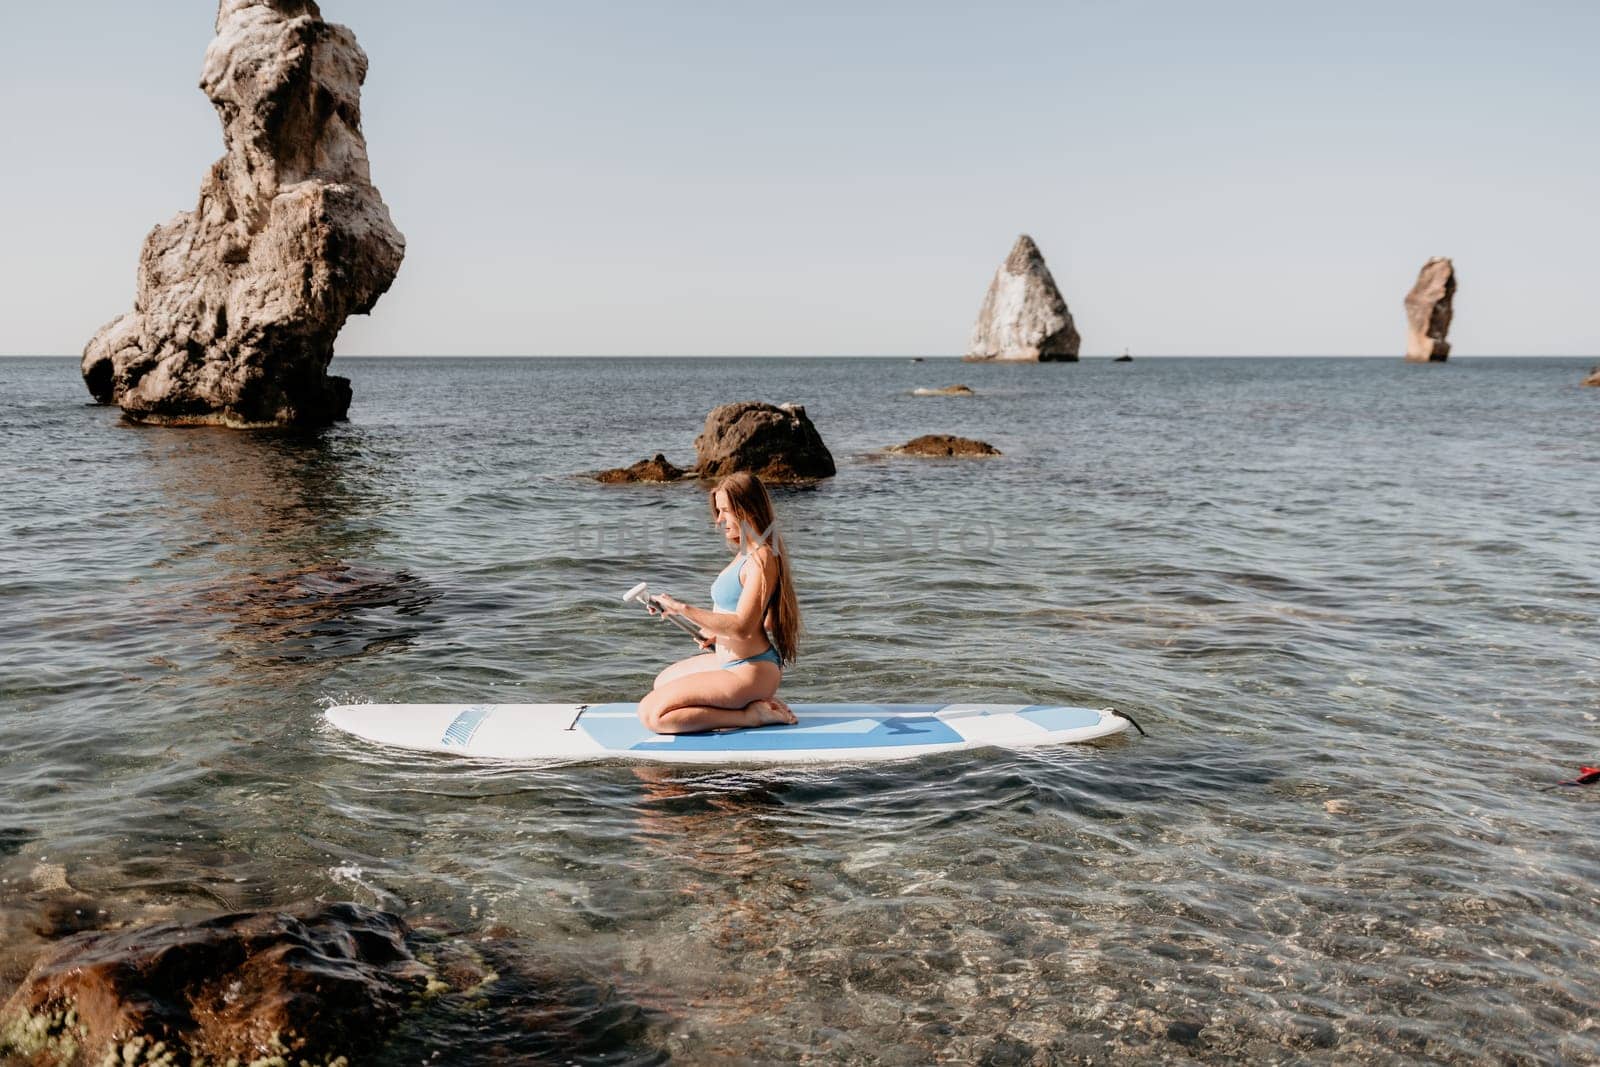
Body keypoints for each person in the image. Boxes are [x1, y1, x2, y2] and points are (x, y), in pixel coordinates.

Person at [637, 472, 800, 733]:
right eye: (718, 510)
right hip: (731, 661)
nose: (719, 519)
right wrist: (715, 633)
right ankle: (741, 703)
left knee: (653, 716)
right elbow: (764, 620)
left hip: (751, 669)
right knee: (662, 683)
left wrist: (683, 609)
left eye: (725, 510)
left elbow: (743, 628)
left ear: (746, 509)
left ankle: (751, 715)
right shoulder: (746, 553)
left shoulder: (763, 558)